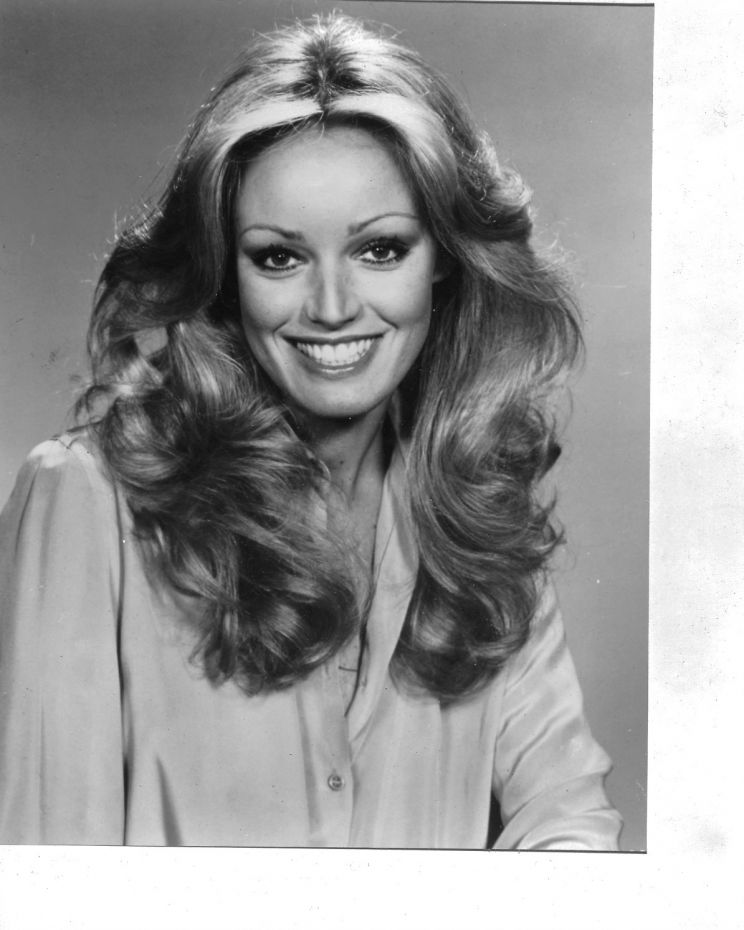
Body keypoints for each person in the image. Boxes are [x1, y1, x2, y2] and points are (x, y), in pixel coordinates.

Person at [0, 13, 622, 848]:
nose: (331, 308)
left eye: (380, 250)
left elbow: (568, 818)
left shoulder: (475, 521)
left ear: (443, 259)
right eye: (279, 257)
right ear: (225, 270)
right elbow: (47, 882)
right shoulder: (86, 501)